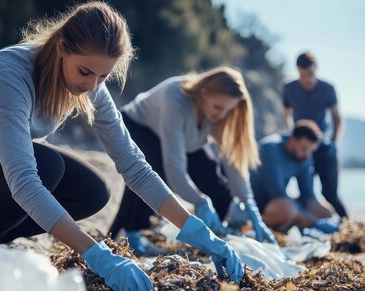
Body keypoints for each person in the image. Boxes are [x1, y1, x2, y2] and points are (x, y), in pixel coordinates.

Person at [0, 2, 243, 291]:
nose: (92, 86)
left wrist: (200, 232)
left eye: (104, 75)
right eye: (85, 72)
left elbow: (134, 166)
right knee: (46, 168)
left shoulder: (91, 84)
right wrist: (98, 255)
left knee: (92, 193)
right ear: (62, 47)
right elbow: (23, 182)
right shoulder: (10, 71)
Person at [108, 66, 275, 254]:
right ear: (204, 93)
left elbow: (233, 163)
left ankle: (221, 229)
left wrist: (250, 206)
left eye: (227, 111)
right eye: (218, 108)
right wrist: (199, 201)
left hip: (186, 141)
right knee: (150, 173)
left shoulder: (220, 113)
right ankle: (126, 233)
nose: (221, 115)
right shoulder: (175, 97)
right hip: (138, 126)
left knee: (211, 176)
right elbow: (174, 168)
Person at [282, 52, 348, 218]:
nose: (307, 79)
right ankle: (308, 228)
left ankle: (348, 225)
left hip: (324, 147)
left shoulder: (327, 88)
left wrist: (334, 143)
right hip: (302, 149)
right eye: (303, 75)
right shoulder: (289, 89)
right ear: (297, 71)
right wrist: (293, 136)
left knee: (330, 194)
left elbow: (337, 118)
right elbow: (286, 114)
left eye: (310, 74)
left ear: (316, 69)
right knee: (307, 194)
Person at [247, 120, 339, 233]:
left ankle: (290, 224)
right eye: (304, 149)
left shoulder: (305, 156)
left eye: (312, 151)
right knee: (287, 210)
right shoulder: (269, 149)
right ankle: (250, 224)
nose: (307, 155)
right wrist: (313, 222)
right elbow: (278, 194)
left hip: (279, 202)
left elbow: (309, 196)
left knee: (326, 212)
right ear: (293, 140)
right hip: (255, 204)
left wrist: (325, 217)